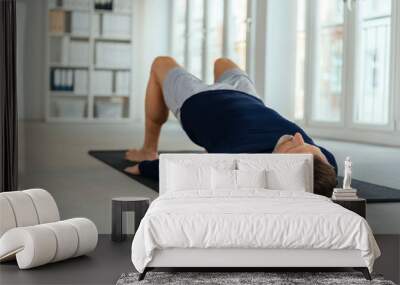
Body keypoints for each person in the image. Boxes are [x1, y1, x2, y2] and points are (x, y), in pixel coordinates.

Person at [124, 56, 337, 197]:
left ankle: (148, 148)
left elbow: (189, 167)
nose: (298, 137)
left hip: (198, 100)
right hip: (247, 97)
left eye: (293, 148)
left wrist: (143, 167)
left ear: (273, 165)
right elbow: (327, 171)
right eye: (310, 147)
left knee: (160, 63)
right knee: (222, 62)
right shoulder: (325, 162)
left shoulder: (239, 161)